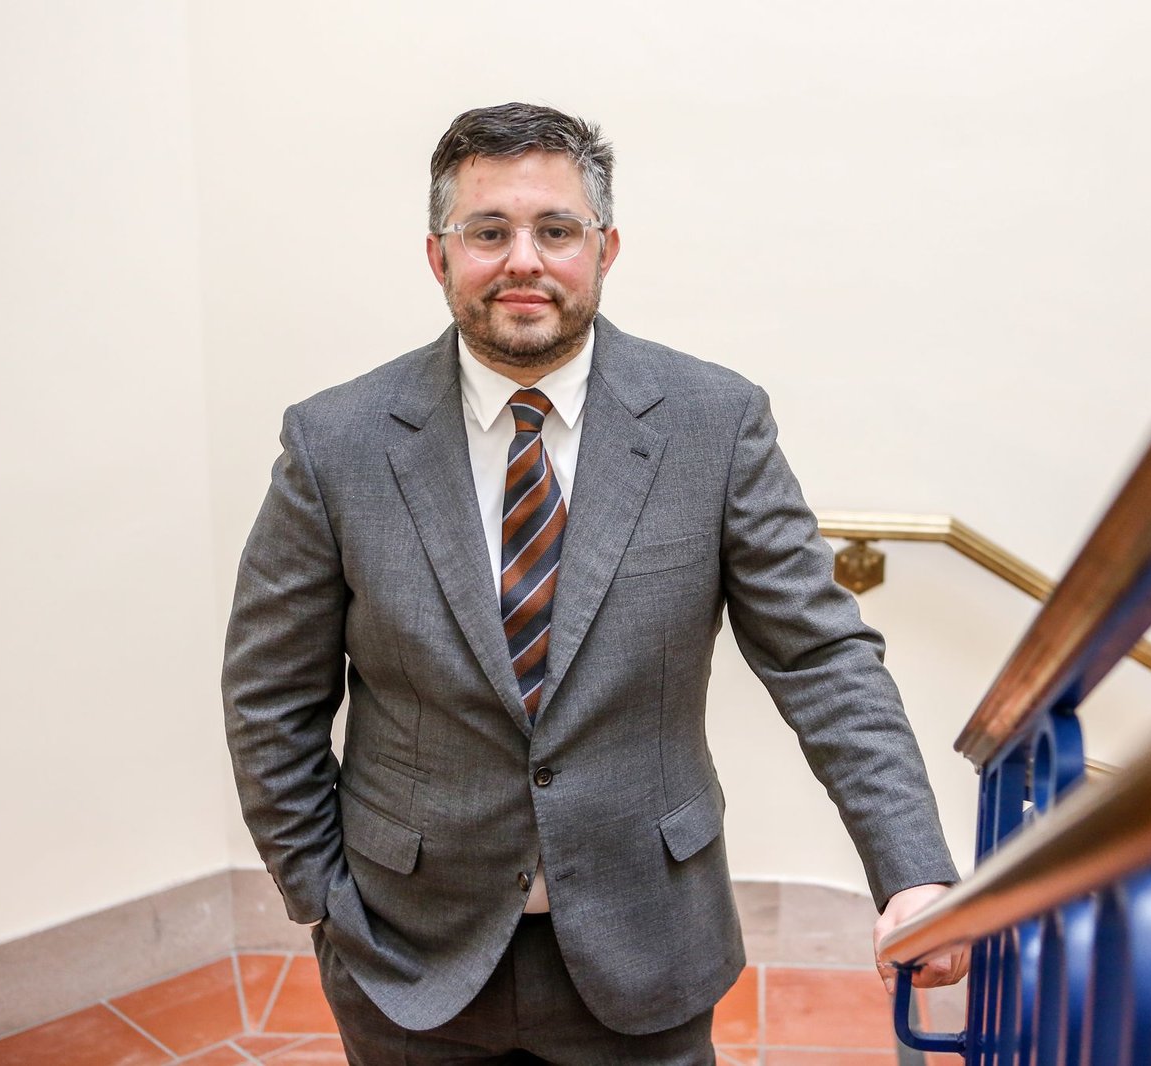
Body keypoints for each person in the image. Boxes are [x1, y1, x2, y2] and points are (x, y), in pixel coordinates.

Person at [223, 101, 967, 1066]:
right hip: (406, 954)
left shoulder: (714, 423)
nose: (522, 260)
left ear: (605, 249)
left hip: (647, 945)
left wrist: (911, 870)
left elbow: (823, 659)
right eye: (487, 231)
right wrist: (322, 896)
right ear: (438, 255)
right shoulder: (337, 443)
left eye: (556, 230)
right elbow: (270, 695)